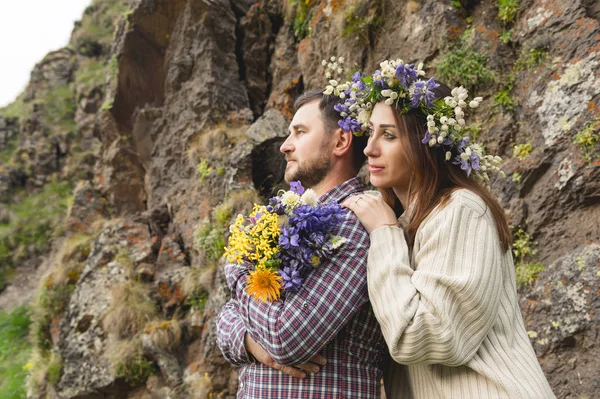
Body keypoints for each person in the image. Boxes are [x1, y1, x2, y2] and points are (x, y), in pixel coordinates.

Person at [339, 60, 556, 398]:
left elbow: (425, 336)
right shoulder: (405, 222)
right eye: (371, 133)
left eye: (389, 135)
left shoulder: (461, 211)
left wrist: (383, 234)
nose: (369, 148)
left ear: (425, 144)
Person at [216, 88, 389, 398]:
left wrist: (238, 271)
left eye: (299, 132)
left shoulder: (356, 222)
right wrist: (250, 342)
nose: (285, 146)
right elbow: (225, 318)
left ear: (340, 141)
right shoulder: (284, 216)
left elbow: (287, 339)